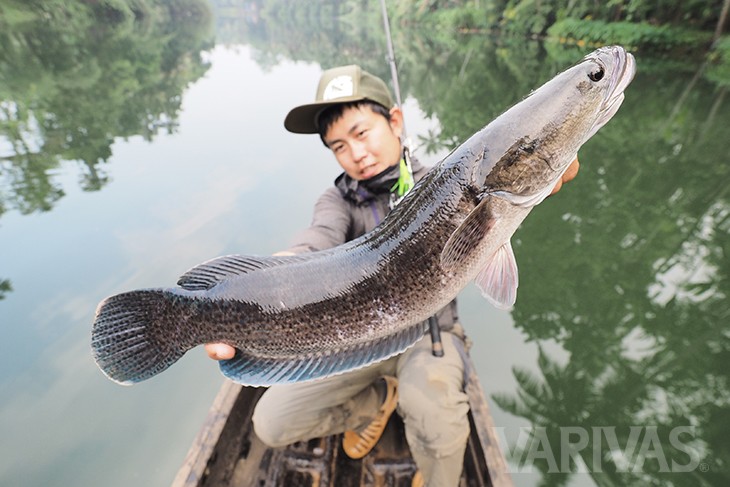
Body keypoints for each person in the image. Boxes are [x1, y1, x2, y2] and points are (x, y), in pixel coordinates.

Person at [205, 65, 580, 487]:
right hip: (360, 337)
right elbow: (314, 243)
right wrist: (272, 277)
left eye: (362, 133)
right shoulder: (336, 201)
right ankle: (377, 402)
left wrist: (547, 172)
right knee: (271, 422)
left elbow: (512, 188)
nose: (356, 153)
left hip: (432, 333)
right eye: (338, 146)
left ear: (395, 121)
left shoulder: (444, 180)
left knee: (438, 426)